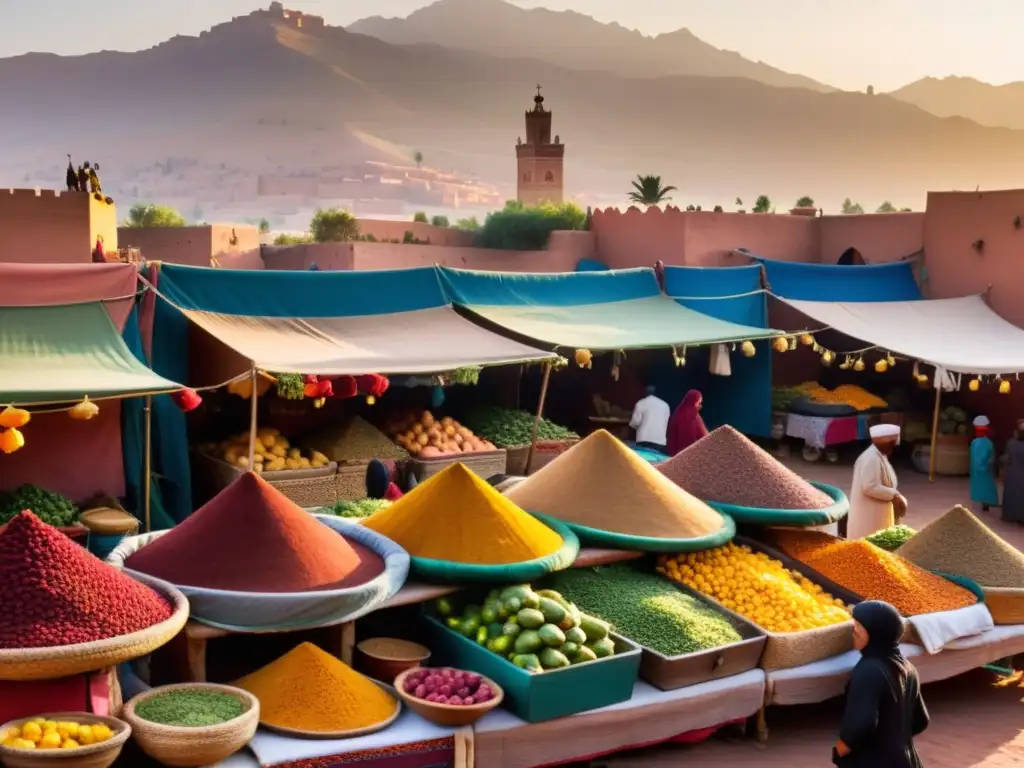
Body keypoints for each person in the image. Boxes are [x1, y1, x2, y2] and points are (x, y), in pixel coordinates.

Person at [833, 601, 928, 767]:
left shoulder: (869, 670)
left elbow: (861, 724)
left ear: (875, 632)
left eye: (858, 626)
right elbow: (921, 721)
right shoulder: (909, 668)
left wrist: (841, 748)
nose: (853, 631)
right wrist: (894, 741)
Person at [847, 424, 906, 540]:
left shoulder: (880, 455)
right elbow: (870, 487)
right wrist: (894, 495)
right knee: (866, 547)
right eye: (893, 443)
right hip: (868, 516)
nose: (895, 446)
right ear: (884, 442)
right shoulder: (871, 458)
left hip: (876, 514)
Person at [970, 415, 999, 512]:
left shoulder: (974, 443)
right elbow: (992, 457)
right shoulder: (988, 443)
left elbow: (973, 457)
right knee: (987, 485)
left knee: (981, 485)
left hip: (977, 469)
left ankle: (983, 501)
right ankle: (987, 502)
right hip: (986, 468)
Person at [629, 384, 670, 453]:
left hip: (644, 440)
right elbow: (666, 422)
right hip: (660, 442)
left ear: (645, 392)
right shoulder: (665, 405)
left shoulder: (641, 403)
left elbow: (635, 422)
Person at [666, 389, 709, 455]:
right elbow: (705, 436)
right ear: (694, 402)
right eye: (699, 403)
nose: (700, 406)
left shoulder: (678, 412)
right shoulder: (694, 415)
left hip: (674, 454)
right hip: (690, 455)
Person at [1002, 419, 1024, 524]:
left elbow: (1006, 459)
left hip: (1012, 474)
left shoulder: (1011, 443)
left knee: (1013, 495)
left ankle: (1011, 515)